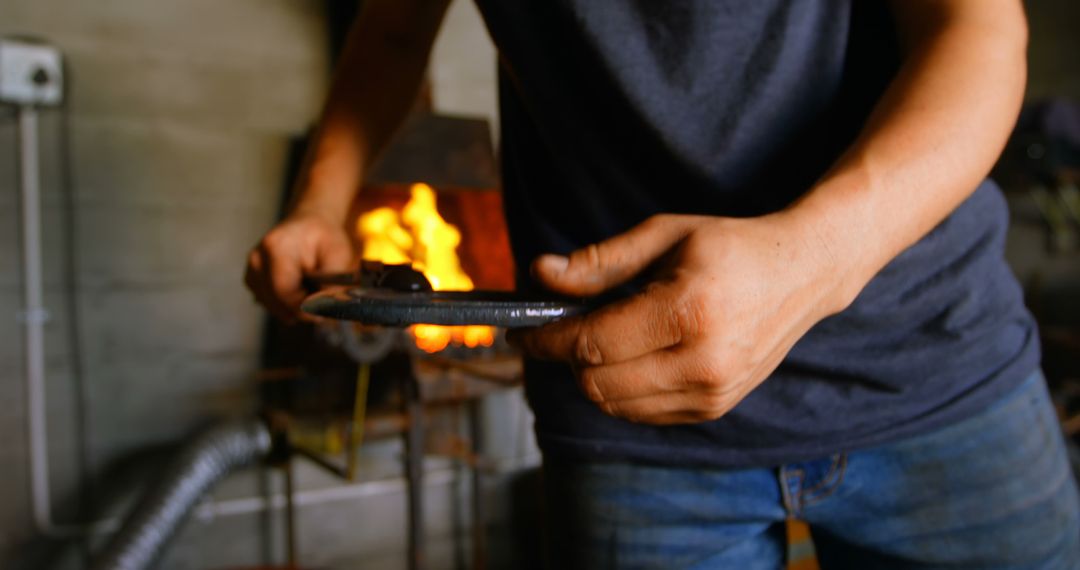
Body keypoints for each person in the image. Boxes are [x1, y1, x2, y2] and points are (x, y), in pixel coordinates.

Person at [245, 0, 1080, 567]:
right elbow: (393, 28)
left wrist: (810, 263)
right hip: (626, 419)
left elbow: (975, 27)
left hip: (938, 369)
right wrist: (319, 202)